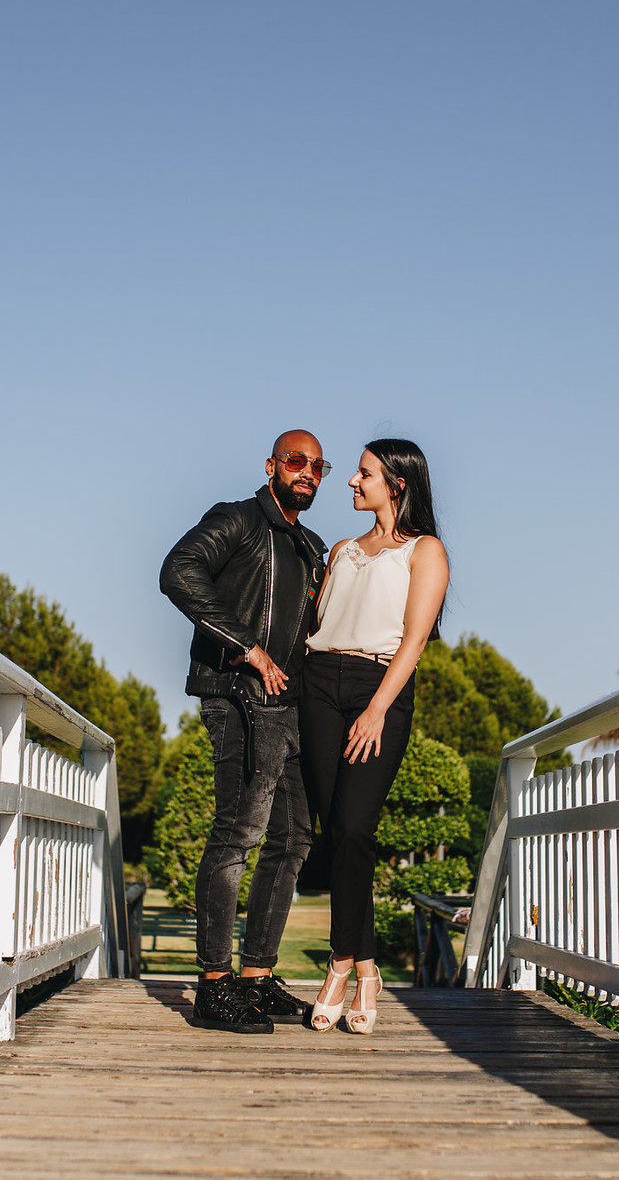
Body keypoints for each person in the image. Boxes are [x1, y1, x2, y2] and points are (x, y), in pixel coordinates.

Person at [159, 430, 332, 1033]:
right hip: (236, 697)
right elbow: (177, 570)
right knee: (239, 834)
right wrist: (247, 649)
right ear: (272, 466)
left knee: (292, 841)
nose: (306, 472)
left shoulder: (312, 546)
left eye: (318, 465)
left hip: (291, 709)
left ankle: (256, 979)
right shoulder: (236, 520)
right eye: (296, 461)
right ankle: (213, 986)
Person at [299, 438, 449, 1033]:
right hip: (318, 683)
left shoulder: (424, 550)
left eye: (365, 475)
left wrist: (377, 709)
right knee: (334, 834)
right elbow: (315, 624)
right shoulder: (340, 550)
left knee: (357, 827)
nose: (353, 483)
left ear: (398, 483)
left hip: (376, 687)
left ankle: (340, 965)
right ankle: (367, 971)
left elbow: (414, 639)